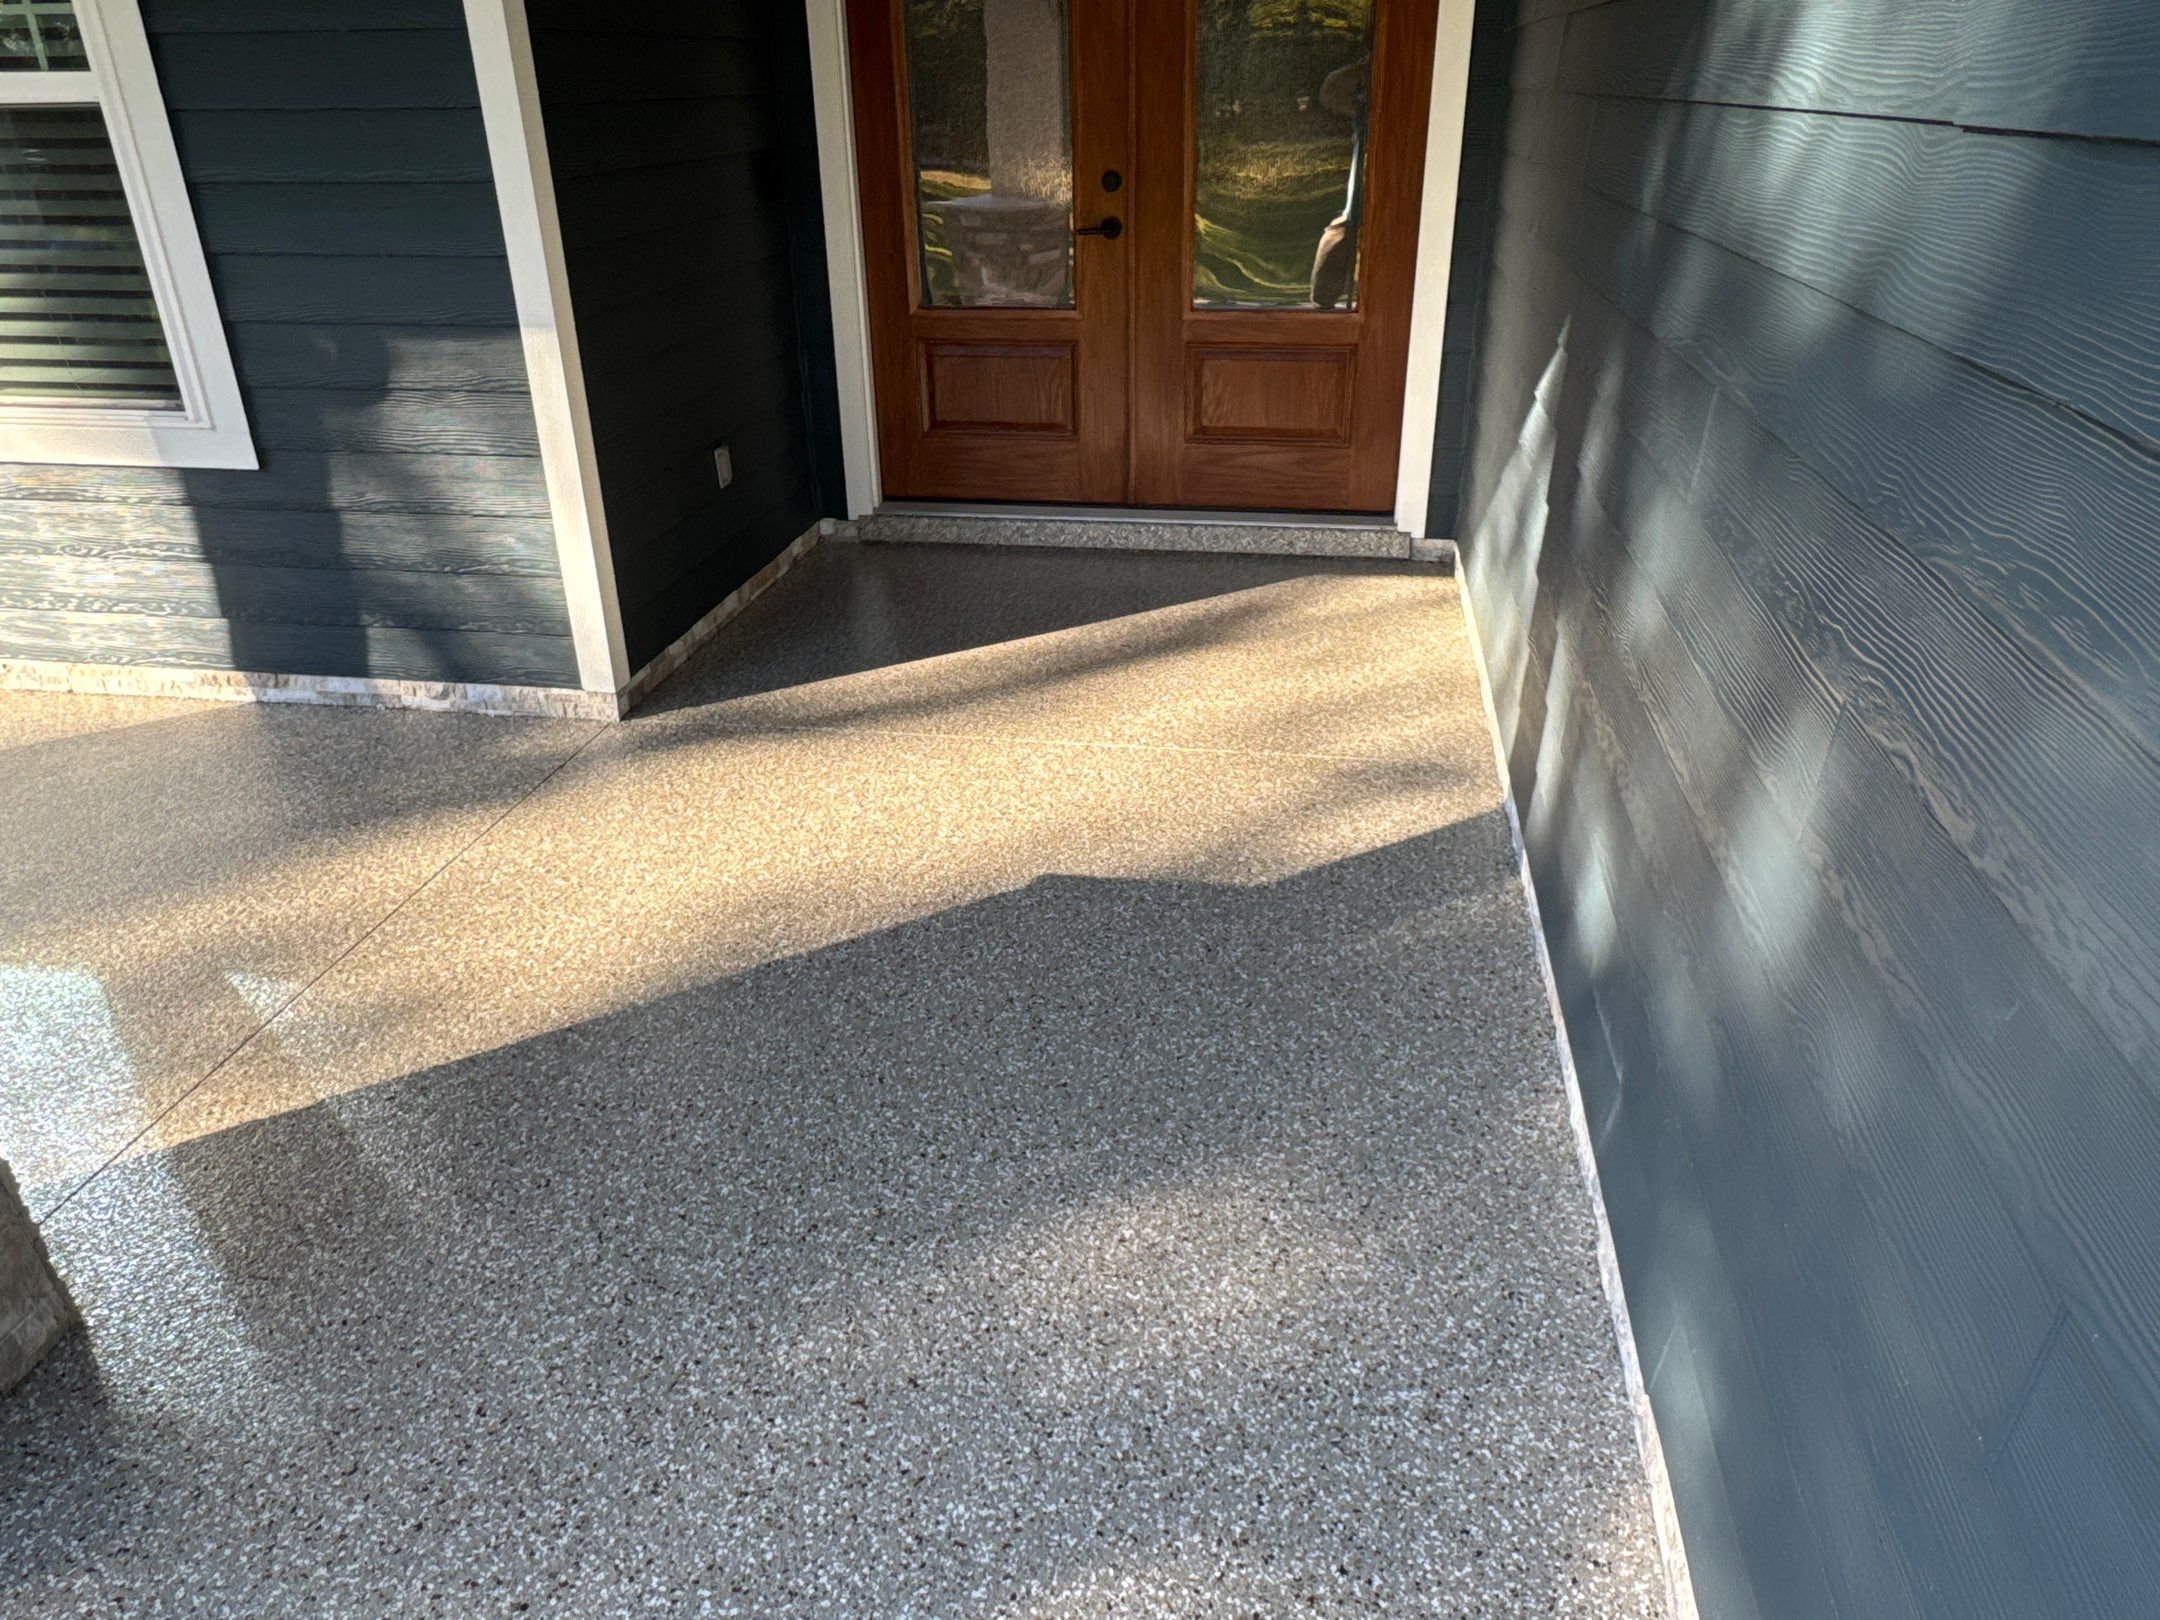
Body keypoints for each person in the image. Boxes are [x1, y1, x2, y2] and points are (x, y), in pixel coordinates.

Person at [1310, 53, 1372, 308]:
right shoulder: (1362, 94)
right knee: (1345, 225)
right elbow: (1331, 93)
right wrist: (1362, 68)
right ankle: (1322, 300)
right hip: (1367, 155)